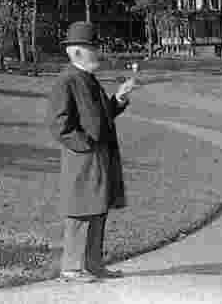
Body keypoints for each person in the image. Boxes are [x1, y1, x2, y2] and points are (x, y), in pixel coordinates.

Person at [47, 21, 136, 282]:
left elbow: (100, 117)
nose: (98, 53)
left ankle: (94, 265)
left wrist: (118, 99)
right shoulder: (67, 80)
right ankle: (71, 269)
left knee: (98, 209)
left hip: (99, 157)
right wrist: (86, 146)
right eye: (92, 48)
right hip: (83, 159)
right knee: (80, 212)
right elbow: (59, 125)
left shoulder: (88, 78)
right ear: (76, 53)